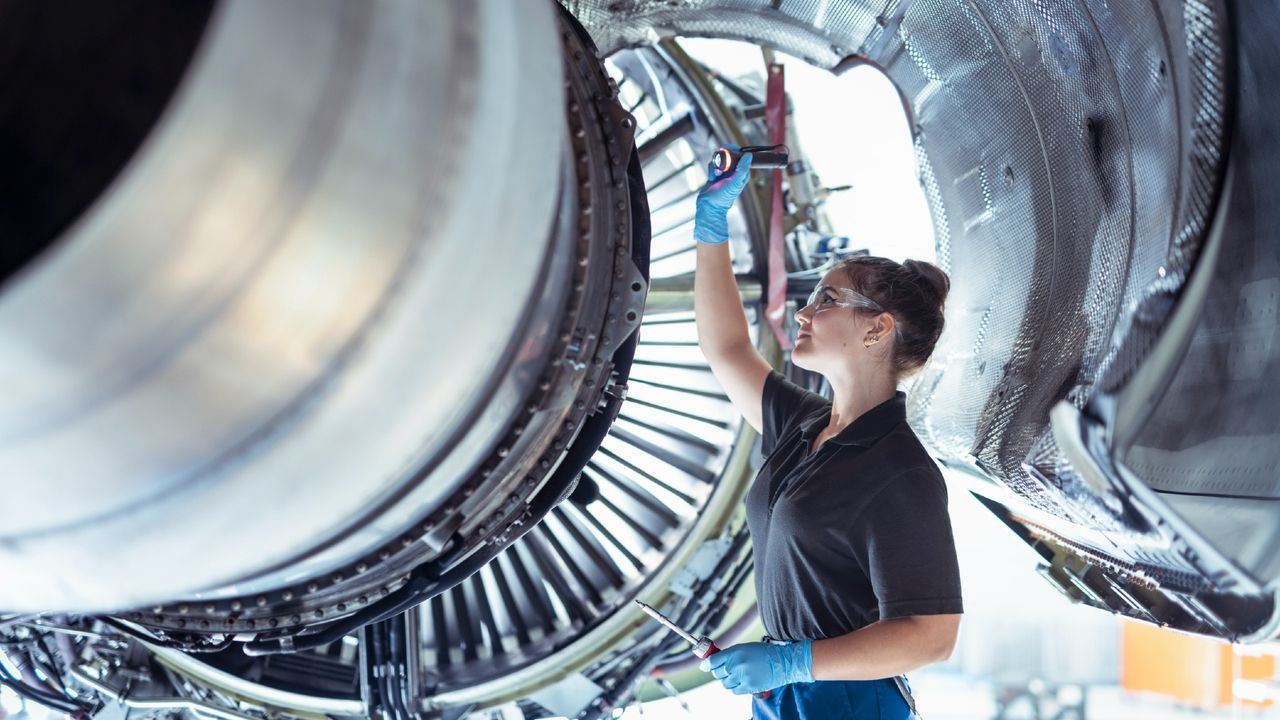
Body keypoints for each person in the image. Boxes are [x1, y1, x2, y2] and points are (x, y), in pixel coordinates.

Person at [692, 151, 963, 719]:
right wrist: (710, 229)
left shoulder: (901, 472)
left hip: (846, 699)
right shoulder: (804, 426)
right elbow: (727, 350)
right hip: (791, 693)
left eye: (828, 300)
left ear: (877, 329)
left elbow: (932, 636)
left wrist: (796, 663)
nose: (804, 312)